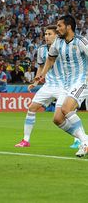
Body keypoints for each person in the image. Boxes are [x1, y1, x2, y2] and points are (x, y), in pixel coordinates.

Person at [37, 15, 88, 157]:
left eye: (59, 26)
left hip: (82, 81)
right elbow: (50, 58)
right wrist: (42, 74)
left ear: (69, 26)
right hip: (66, 84)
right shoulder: (58, 42)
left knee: (66, 109)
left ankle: (84, 142)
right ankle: (85, 139)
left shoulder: (81, 42)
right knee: (58, 119)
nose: (57, 28)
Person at [15, 25, 67, 147]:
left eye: (50, 34)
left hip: (64, 86)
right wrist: (36, 82)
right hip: (48, 86)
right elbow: (40, 66)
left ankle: (79, 141)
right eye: (45, 34)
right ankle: (25, 140)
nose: (46, 36)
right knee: (32, 108)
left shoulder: (64, 48)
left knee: (66, 112)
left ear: (57, 35)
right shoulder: (41, 50)